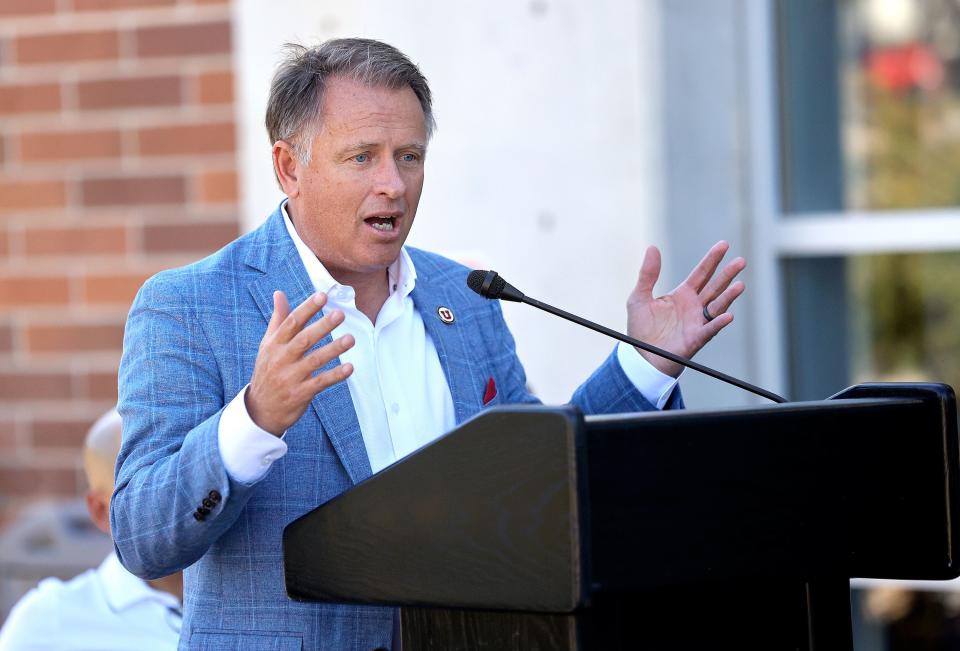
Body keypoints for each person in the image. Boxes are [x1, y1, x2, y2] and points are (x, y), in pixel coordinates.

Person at [111, 38, 746, 649]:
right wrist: (254, 420)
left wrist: (642, 366)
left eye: (409, 156)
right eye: (362, 157)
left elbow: (539, 477)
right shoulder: (191, 306)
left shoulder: (466, 296)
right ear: (289, 167)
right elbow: (143, 537)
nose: (393, 183)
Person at [0, 410, 182, 650]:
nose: (180, 495)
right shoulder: (49, 622)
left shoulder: (246, 597)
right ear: (100, 511)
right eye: (143, 488)